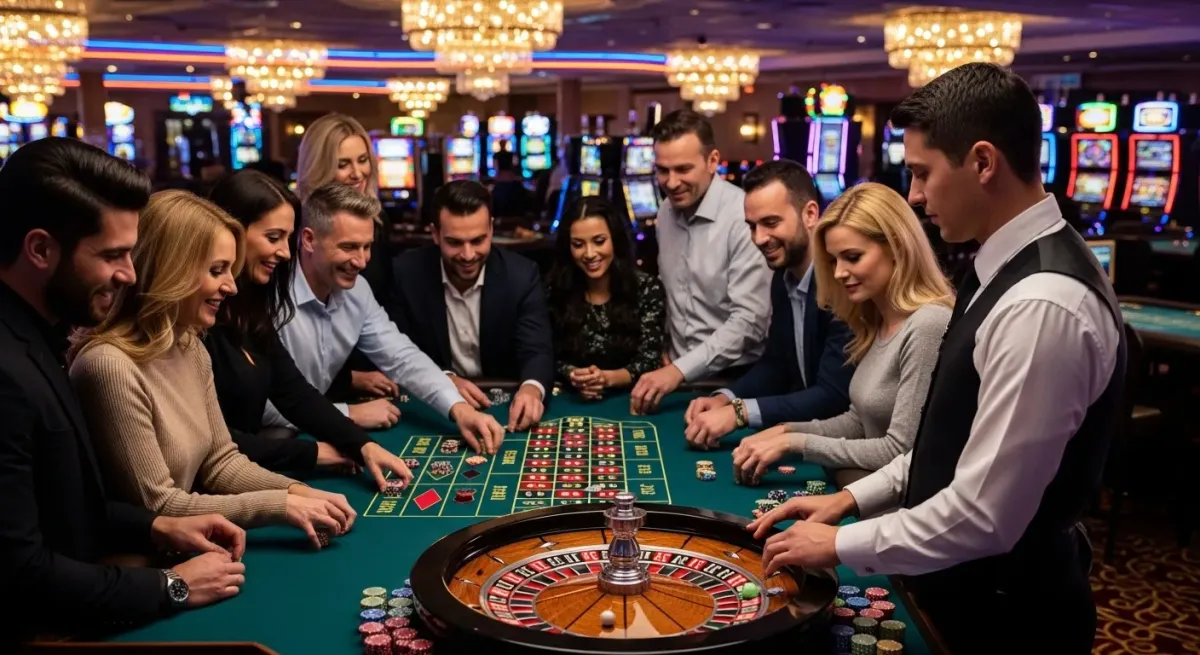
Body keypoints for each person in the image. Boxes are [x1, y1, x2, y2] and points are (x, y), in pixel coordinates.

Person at [748, 63, 1126, 655]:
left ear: (982, 162)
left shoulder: (1042, 303)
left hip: (1010, 620)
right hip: (965, 591)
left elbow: (984, 513)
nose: (916, 195)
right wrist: (847, 500)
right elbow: (943, 446)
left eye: (923, 172)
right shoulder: (999, 270)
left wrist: (840, 544)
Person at [0, 139, 247, 637]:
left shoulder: (39, 334)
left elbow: (67, 501)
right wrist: (169, 586)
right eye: (112, 254)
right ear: (41, 249)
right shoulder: (6, 371)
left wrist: (156, 526)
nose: (129, 274)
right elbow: (18, 573)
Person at [68, 189, 355, 550]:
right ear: (172, 268)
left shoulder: (189, 346)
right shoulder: (108, 366)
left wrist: (300, 492)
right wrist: (280, 506)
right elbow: (160, 506)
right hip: (140, 567)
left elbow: (221, 462)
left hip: (193, 548)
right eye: (216, 270)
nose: (231, 286)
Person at [732, 182, 952, 485]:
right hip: (867, 495)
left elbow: (901, 451)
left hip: (903, 517)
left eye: (853, 257)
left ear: (897, 248)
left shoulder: (928, 324)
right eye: (834, 260)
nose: (838, 273)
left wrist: (795, 444)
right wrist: (786, 430)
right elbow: (857, 422)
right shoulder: (875, 320)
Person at [205, 169, 413, 490]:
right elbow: (210, 440)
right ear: (230, 232)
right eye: (273, 238)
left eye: (287, 240)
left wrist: (361, 445)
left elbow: (294, 392)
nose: (286, 253)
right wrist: (312, 453)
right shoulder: (199, 318)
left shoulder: (247, 308)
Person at [270, 183, 505, 454]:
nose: (361, 261)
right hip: (269, 448)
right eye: (349, 247)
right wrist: (348, 413)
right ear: (309, 240)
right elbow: (262, 407)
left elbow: (401, 356)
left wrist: (459, 409)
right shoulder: (273, 299)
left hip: (315, 431)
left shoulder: (357, 290)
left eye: (366, 247)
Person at [684, 160, 853, 448]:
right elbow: (777, 365)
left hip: (844, 442)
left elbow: (833, 395)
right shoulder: (783, 277)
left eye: (771, 223)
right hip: (806, 434)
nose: (759, 238)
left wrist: (739, 413)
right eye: (752, 226)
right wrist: (726, 397)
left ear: (810, 214)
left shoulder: (844, 284)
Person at [631, 109, 772, 414]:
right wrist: (666, 349)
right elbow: (672, 293)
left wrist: (680, 369)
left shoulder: (741, 217)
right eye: (662, 170)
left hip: (735, 379)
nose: (671, 182)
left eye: (683, 169)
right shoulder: (666, 212)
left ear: (712, 161)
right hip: (677, 377)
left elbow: (749, 322)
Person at [389, 180, 553, 431]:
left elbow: (537, 349)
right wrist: (443, 379)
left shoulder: (521, 276)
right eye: (454, 242)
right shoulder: (406, 274)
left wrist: (532, 389)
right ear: (435, 234)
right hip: (433, 408)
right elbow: (398, 350)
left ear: (491, 228)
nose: (468, 255)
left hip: (499, 403)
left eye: (478, 240)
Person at [295, 113, 395, 402]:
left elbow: (376, 306)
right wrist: (348, 379)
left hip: (367, 360)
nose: (357, 173)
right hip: (311, 386)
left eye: (363, 160)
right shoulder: (293, 227)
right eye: (343, 164)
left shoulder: (376, 219)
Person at [545, 196, 666, 398]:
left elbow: (650, 360)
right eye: (578, 244)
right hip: (568, 397)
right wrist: (573, 374)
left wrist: (606, 378)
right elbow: (544, 354)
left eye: (599, 241)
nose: (590, 253)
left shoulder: (646, 288)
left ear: (615, 240)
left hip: (631, 398)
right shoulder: (554, 289)